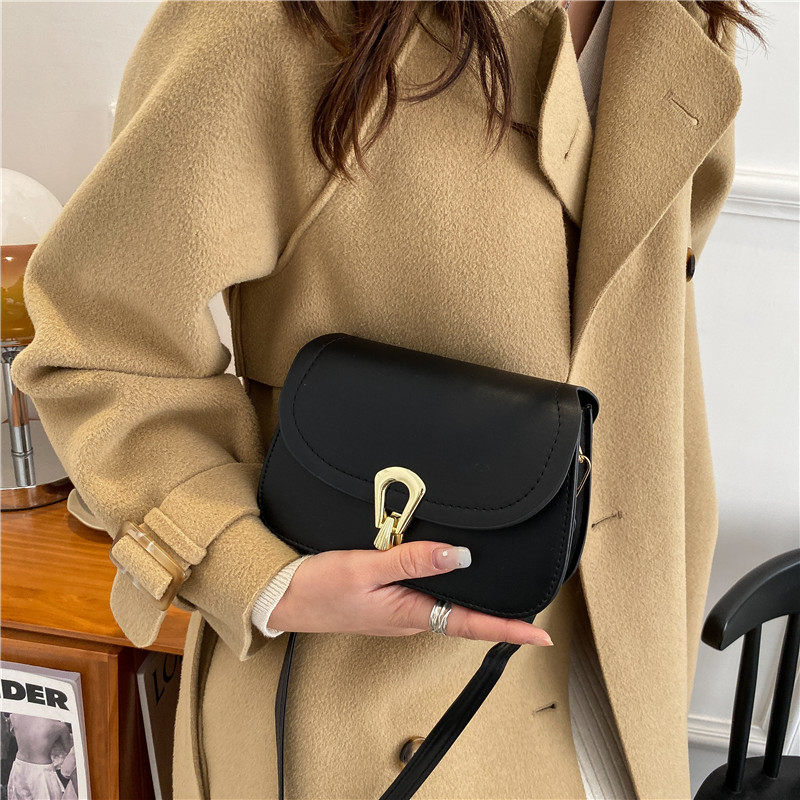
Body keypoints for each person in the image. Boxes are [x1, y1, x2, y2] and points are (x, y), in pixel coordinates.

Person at [10, 1, 762, 798]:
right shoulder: (281, 21)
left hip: (628, 675)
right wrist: (252, 568)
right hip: (369, 705)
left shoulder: (677, 20)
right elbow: (96, 333)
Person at [6, 715, 71, 800]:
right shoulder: (59, 726)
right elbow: (70, 751)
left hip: (19, 765)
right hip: (41, 771)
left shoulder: (14, 716)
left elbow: (13, 733)